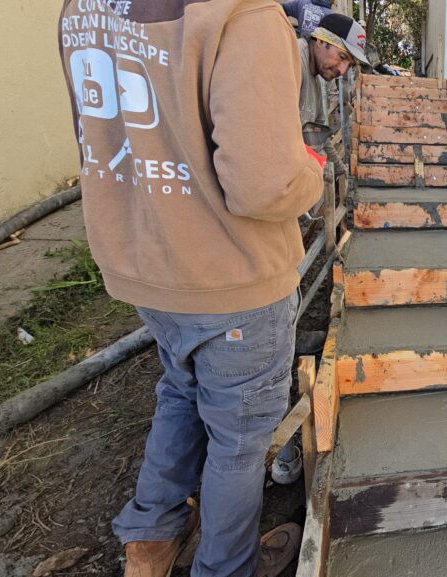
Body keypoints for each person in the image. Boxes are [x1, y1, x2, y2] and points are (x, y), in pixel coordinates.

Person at [57, 0, 323, 575]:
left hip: (147, 261)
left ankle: (150, 540)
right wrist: (311, 173)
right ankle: (225, 565)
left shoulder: (86, 9)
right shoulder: (245, 14)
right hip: (230, 275)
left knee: (181, 388)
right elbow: (264, 184)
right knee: (239, 439)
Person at [296, 13, 370, 180]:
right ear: (321, 40)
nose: (342, 71)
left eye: (349, 65)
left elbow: (319, 137)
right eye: (342, 57)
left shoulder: (315, 75)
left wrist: (342, 172)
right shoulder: (293, 62)